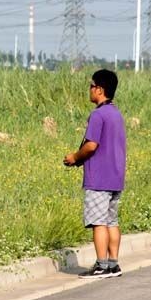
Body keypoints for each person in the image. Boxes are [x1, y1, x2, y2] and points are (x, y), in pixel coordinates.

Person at [63, 69, 127, 279]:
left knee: (98, 222)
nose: (89, 90)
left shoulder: (98, 115)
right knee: (112, 222)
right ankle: (113, 263)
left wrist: (74, 157)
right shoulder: (116, 114)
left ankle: (101, 265)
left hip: (99, 178)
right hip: (116, 177)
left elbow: (91, 145)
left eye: (91, 86)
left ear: (99, 89)